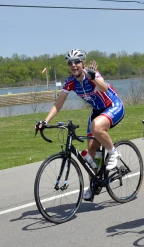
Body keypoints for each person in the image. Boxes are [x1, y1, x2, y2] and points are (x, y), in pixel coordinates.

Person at [37, 49, 124, 202]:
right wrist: (46, 121)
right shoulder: (70, 81)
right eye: (70, 63)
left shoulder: (92, 74)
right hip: (98, 111)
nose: (73, 65)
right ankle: (95, 181)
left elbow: (104, 88)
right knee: (91, 148)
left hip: (113, 106)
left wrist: (93, 77)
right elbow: (59, 102)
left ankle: (113, 152)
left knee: (96, 127)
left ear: (83, 62)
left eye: (77, 61)